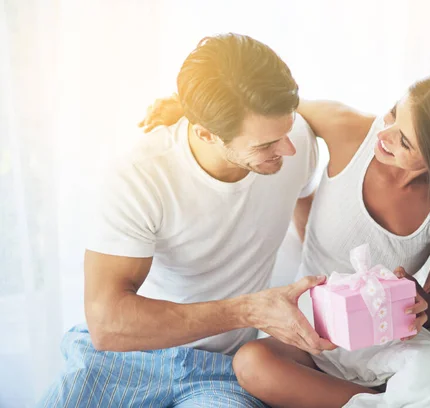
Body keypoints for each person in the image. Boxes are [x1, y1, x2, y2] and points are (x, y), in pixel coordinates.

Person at [142, 72, 430, 407]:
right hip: (311, 324)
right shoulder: (351, 132)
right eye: (392, 114)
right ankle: (375, 402)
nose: (382, 135)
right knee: (251, 364)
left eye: (404, 141)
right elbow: (267, 104)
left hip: (381, 333)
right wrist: (193, 109)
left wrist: (422, 303)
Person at [38, 33, 338, 408]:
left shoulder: (294, 144)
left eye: (288, 129)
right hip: (123, 361)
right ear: (204, 132)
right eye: (265, 145)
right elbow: (107, 323)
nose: (288, 149)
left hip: (222, 372)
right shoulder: (142, 174)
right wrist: (248, 310)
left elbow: (305, 204)